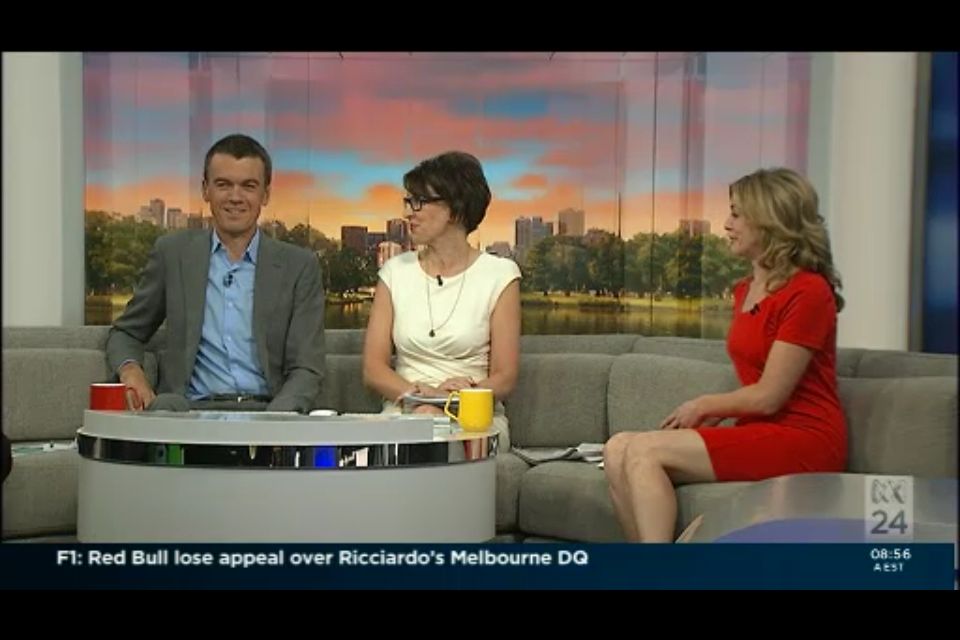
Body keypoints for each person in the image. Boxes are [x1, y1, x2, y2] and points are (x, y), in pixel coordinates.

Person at [604, 167, 847, 542]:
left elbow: (769, 396)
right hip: (761, 429)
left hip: (805, 437)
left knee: (644, 451)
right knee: (617, 448)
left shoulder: (808, 292)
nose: (726, 224)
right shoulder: (744, 290)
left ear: (768, 219)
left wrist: (705, 405)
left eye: (736, 214)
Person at [106, 133, 325, 414]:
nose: (235, 197)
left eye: (248, 186)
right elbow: (126, 333)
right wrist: (131, 372)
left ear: (265, 194)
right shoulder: (173, 254)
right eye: (223, 185)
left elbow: (307, 368)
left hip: (269, 411)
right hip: (188, 411)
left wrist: (276, 421)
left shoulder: (299, 266)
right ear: (205, 190)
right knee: (161, 413)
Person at [362, 151, 521, 448]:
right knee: (421, 428)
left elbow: (505, 377)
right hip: (406, 409)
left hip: (473, 412)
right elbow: (374, 369)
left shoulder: (500, 274)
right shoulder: (394, 272)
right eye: (408, 201)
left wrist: (456, 399)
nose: (408, 212)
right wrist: (422, 398)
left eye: (419, 202)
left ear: (455, 210)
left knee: (446, 438)